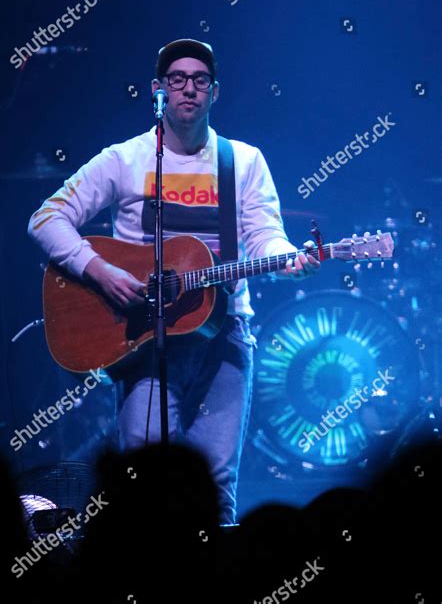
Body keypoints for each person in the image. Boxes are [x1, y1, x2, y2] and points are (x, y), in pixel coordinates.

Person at [28, 38, 320, 524]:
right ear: (158, 90)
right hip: (143, 337)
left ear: (214, 92)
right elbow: (46, 218)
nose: (189, 89)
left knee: (217, 482)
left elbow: (266, 235)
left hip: (222, 336)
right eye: (178, 80)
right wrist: (99, 269)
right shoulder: (125, 158)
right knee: (145, 482)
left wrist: (290, 258)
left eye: (200, 81)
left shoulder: (243, 161)